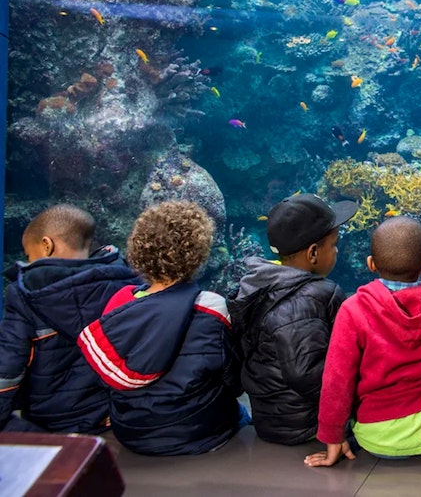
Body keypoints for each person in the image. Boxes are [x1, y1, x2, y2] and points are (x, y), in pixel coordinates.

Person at [78, 201, 241, 456]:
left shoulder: (119, 302)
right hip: (199, 430)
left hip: (131, 431)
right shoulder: (210, 306)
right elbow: (232, 376)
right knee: (239, 411)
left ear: (139, 249)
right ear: (198, 254)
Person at [305, 216, 421, 467]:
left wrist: (332, 437)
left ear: (370, 264)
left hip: (376, 437)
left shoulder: (353, 310)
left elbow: (337, 380)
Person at [0, 205, 138, 433]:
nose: (28, 262)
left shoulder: (26, 295)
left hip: (52, 422)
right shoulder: (123, 282)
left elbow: (7, 370)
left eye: (29, 255)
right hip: (112, 415)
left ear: (47, 245)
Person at [228, 194, 353, 446]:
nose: (337, 250)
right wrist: (340, 420)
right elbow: (305, 373)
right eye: (334, 244)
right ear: (313, 253)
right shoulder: (317, 295)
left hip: (270, 418)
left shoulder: (259, 286)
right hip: (305, 426)